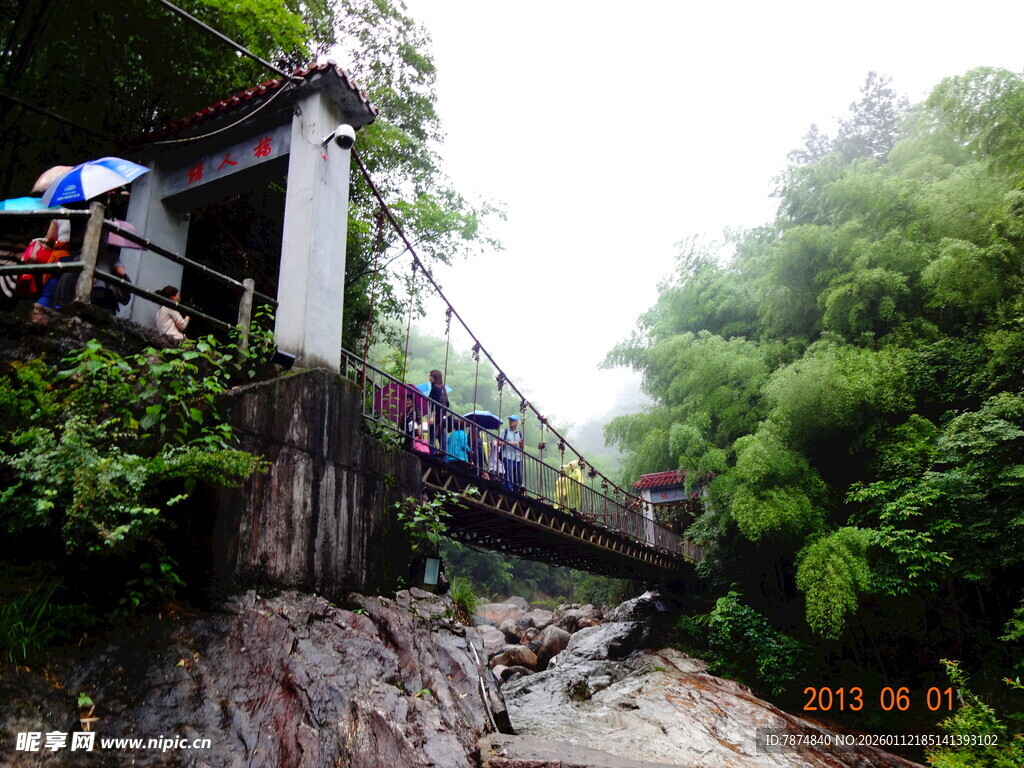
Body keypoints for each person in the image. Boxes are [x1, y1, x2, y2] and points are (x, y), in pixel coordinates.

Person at [500, 414, 525, 493]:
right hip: (507, 456)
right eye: (510, 420)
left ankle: (516, 491)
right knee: (509, 475)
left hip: (517, 458)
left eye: (512, 421)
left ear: (516, 422)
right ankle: (508, 491)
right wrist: (512, 443)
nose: (510, 422)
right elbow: (499, 442)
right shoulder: (505, 432)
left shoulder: (520, 434)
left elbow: (522, 448)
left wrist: (521, 443)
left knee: (517, 476)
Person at [427, 369, 449, 456]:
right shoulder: (443, 389)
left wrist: (432, 416)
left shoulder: (435, 389)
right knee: (443, 440)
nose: (429, 378)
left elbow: (434, 404)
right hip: (443, 417)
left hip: (436, 417)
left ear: (435, 377)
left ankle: (433, 455)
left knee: (432, 439)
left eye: (431, 376)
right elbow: (447, 404)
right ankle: (444, 458)